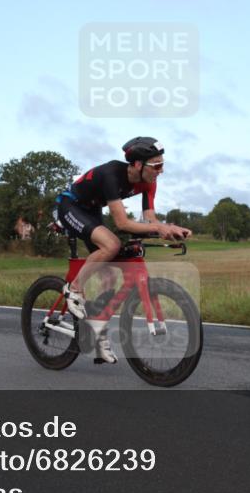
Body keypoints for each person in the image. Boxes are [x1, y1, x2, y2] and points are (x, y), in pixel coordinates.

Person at [55, 137, 192, 363]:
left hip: (92, 211)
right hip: (71, 206)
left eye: (162, 164)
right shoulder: (112, 174)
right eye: (157, 165)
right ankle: (74, 289)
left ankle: (97, 331)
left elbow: (149, 219)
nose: (161, 170)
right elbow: (122, 223)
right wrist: (159, 228)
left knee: (108, 277)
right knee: (112, 244)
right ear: (138, 164)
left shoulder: (149, 182)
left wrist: (168, 230)